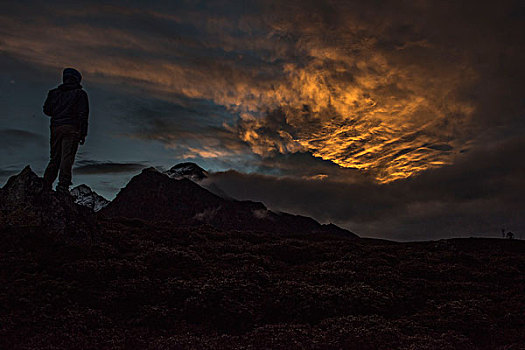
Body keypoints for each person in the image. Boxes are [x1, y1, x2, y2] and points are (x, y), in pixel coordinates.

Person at [42, 68, 89, 194]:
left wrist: (58, 111)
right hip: (72, 128)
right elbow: (83, 115)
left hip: (56, 128)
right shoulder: (80, 94)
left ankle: (45, 185)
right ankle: (63, 186)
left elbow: (47, 110)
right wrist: (83, 133)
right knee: (66, 157)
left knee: (55, 158)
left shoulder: (54, 93)